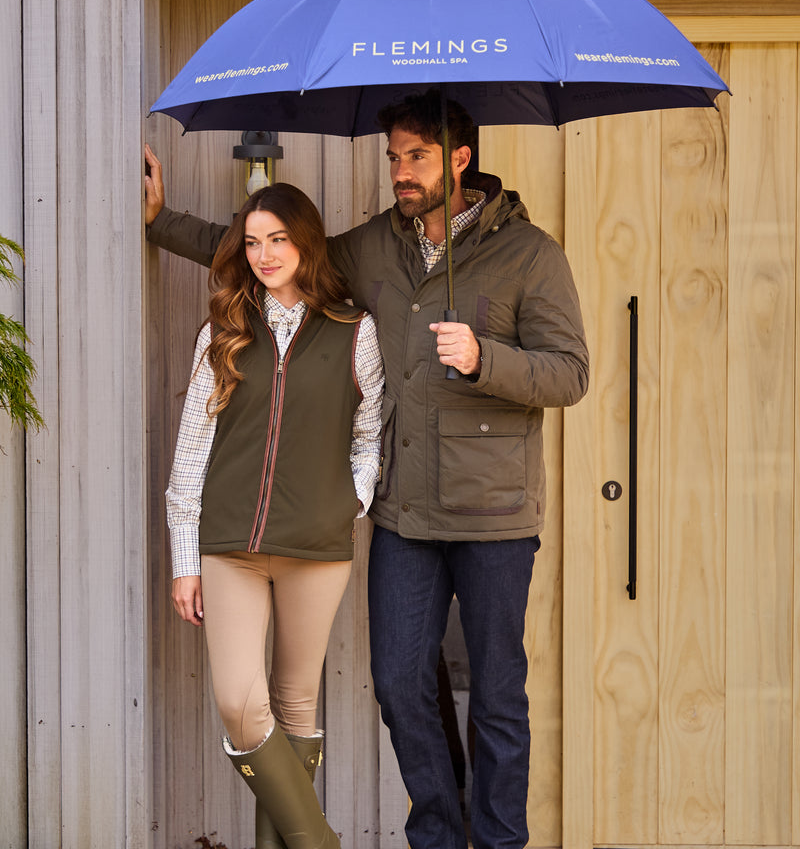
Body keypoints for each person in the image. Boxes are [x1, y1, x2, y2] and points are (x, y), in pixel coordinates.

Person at [146, 88, 589, 849]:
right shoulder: (377, 245)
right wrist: (160, 222)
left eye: (415, 157)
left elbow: (570, 374)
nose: (400, 173)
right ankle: (440, 836)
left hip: (495, 516)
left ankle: (500, 839)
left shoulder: (530, 255)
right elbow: (273, 253)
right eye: (393, 158)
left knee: (496, 696)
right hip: (404, 515)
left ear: (460, 158)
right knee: (400, 685)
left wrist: (488, 359)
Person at [161, 172, 384, 849]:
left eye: (278, 238)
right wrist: (184, 557)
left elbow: (370, 434)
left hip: (317, 547)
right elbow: (192, 447)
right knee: (239, 702)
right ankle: (319, 842)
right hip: (230, 546)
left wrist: (351, 502)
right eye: (253, 242)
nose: (263, 254)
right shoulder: (225, 330)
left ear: (304, 243)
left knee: (295, 705)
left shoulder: (355, 332)